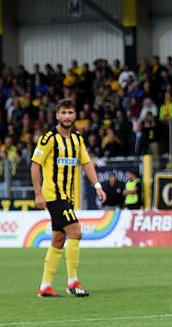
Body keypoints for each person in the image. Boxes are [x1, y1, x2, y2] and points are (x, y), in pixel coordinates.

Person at [31, 98, 107, 298]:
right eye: (63, 113)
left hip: (69, 196)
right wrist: (38, 194)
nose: (67, 116)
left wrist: (97, 185)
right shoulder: (49, 138)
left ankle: (45, 286)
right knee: (76, 231)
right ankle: (73, 282)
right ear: (57, 115)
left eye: (70, 113)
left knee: (58, 238)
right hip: (53, 196)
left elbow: (87, 163)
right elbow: (35, 165)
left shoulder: (77, 139)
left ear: (75, 115)